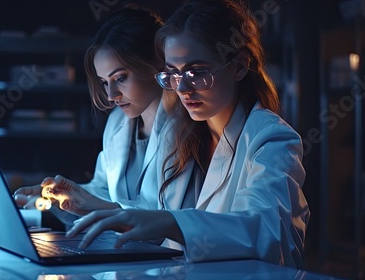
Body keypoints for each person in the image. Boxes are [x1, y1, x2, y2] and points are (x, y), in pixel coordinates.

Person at [65, 0, 310, 269]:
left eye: (197, 72)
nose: (182, 88)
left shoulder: (272, 139)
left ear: (239, 66)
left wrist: (169, 222)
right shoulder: (186, 135)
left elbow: (265, 232)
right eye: (173, 73)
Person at [14, 7, 173, 222]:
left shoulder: (186, 128)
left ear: (155, 64)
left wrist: (94, 205)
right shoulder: (119, 121)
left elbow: (165, 218)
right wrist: (60, 198)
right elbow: (102, 190)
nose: (111, 95)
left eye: (121, 78)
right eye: (104, 82)